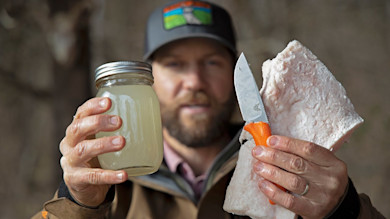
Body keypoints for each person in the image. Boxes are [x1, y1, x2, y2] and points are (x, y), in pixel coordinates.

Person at [33, 1, 384, 218]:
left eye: (212, 62)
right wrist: (75, 203)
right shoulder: (110, 182)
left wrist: (344, 210)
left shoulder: (291, 165)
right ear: (150, 80)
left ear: (233, 72)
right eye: (174, 64)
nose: (195, 81)